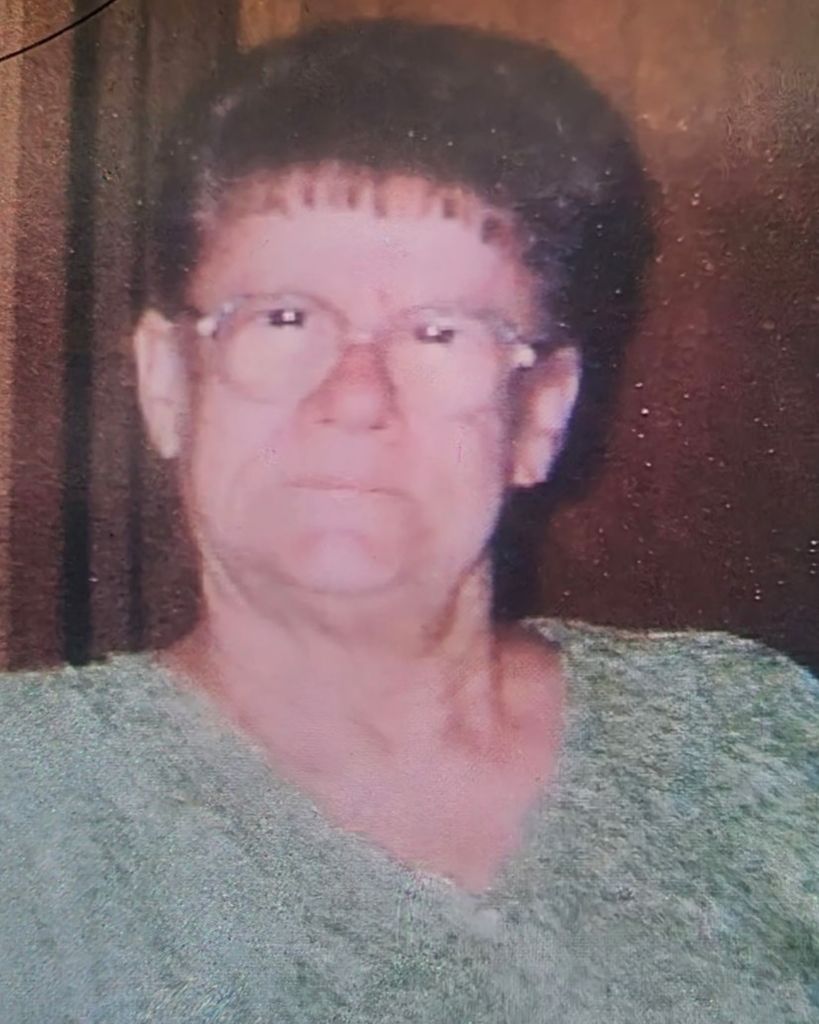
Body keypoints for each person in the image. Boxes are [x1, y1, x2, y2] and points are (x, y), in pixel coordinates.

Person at [1, 18, 816, 1023]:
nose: (355, 397)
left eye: (440, 333)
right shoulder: (27, 804)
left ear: (539, 416)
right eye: (285, 317)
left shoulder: (746, 736)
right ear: (168, 383)